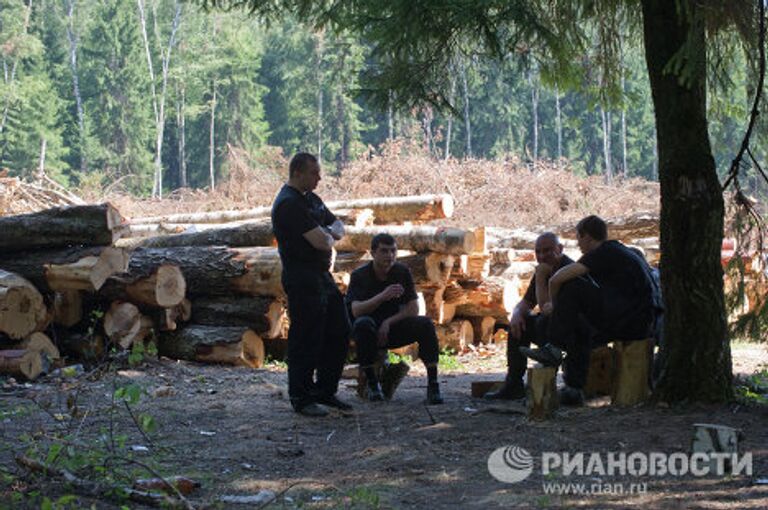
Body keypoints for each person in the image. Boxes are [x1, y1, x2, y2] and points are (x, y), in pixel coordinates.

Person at [521, 215, 655, 405]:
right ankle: (574, 389)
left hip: (632, 322)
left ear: (587, 237)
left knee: (573, 286)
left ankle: (554, 348)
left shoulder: (603, 251)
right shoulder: (617, 250)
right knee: (579, 326)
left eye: (579, 239)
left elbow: (558, 279)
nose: (579, 246)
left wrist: (554, 304)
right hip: (635, 318)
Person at [271, 152, 351, 417]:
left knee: (339, 329)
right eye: (314, 172)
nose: (319, 177)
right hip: (301, 276)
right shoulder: (288, 204)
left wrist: (328, 233)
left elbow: (337, 226)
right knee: (306, 337)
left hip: (321, 276)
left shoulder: (312, 200)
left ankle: (325, 391)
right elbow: (322, 240)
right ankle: (301, 397)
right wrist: (329, 234)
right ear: (297, 173)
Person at [345, 233, 444, 405]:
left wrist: (388, 322)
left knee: (425, 324)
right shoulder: (360, 275)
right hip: (369, 332)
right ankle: (373, 384)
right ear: (373, 253)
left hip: (393, 328)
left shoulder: (401, 272)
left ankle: (433, 384)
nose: (389, 256)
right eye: (384, 251)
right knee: (363, 324)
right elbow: (356, 311)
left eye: (393, 251)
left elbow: (414, 308)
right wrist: (382, 296)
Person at [484, 232, 575, 400]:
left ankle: (551, 381)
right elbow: (526, 302)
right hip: (549, 328)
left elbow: (546, 308)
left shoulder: (569, 270)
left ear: (560, 249)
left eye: (547, 251)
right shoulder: (543, 269)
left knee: (542, 322)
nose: (542, 256)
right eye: (538, 252)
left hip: (570, 331)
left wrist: (541, 276)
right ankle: (514, 383)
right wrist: (517, 314)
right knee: (519, 324)